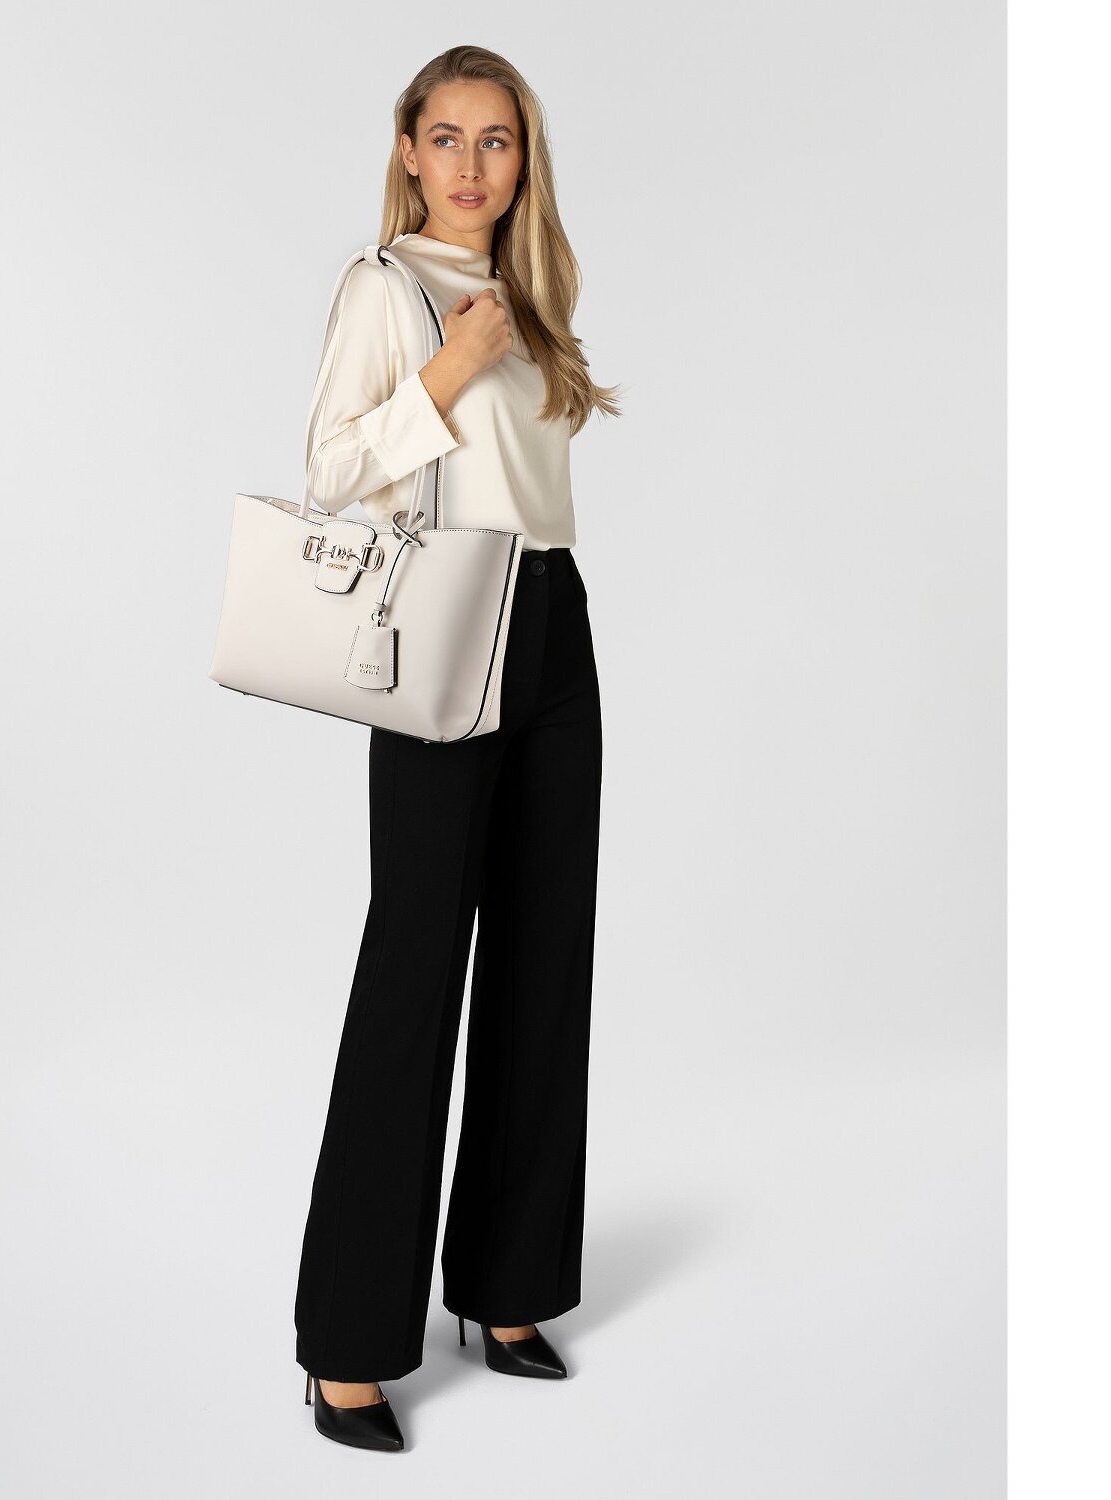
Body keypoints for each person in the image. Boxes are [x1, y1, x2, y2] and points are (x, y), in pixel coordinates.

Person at [292, 44, 622, 1452]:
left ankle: (507, 1285)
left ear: (522, 159)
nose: (473, 164)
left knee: (546, 954)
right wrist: (447, 369)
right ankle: (348, 1344)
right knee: (417, 962)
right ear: (409, 150)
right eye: (448, 137)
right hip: (442, 619)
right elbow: (329, 467)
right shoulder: (389, 287)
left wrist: (502, 343)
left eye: (498, 140)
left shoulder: (534, 297)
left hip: (553, 617)